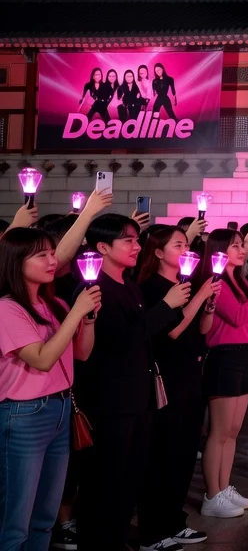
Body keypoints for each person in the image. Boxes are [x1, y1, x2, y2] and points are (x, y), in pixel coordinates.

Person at [75, 214, 187, 550]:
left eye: (137, 240)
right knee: (105, 482)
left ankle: (118, 538)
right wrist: (165, 306)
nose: (137, 247)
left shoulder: (130, 283)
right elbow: (120, 341)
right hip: (110, 400)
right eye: (129, 241)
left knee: (130, 479)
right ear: (103, 247)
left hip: (139, 397)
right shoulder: (94, 288)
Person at [0, 228, 97, 551]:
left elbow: (81, 353)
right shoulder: (7, 309)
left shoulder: (52, 303)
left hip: (59, 408)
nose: (52, 260)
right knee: (15, 518)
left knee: (45, 514)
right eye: (41, 255)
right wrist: (76, 313)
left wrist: (87, 319)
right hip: (23, 414)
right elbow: (41, 359)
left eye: (52, 253)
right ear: (16, 262)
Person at [135, 226, 217, 550]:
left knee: (184, 453)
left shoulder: (184, 285)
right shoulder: (153, 288)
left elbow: (200, 332)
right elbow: (171, 332)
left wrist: (207, 307)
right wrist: (197, 298)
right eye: (177, 244)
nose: (185, 250)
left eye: (186, 244)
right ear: (157, 252)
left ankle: (174, 521)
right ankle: (153, 530)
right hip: (165, 377)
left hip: (190, 374)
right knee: (163, 454)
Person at [192, 228, 248, 519]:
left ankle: (224, 486)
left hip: (244, 352)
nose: (242, 251)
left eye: (242, 245)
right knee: (219, 431)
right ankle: (212, 494)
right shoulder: (216, 282)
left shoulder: (237, 280)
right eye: (235, 247)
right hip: (224, 357)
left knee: (232, 431)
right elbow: (238, 315)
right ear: (218, 252)